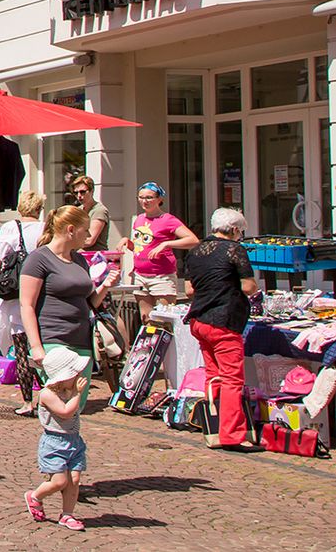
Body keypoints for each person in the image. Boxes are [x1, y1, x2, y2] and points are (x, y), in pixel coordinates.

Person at [181, 206, 261, 450]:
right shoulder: (235, 250)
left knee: (213, 376)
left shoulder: (195, 252)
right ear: (235, 230)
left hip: (199, 320)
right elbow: (248, 287)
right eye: (241, 231)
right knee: (231, 379)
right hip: (223, 321)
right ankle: (231, 434)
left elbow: (189, 290)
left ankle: (213, 429)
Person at [20, 206, 108, 418]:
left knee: (76, 408)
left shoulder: (79, 260)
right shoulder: (38, 259)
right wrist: (36, 347)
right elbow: (27, 305)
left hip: (82, 342)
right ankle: (53, 450)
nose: (88, 236)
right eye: (85, 230)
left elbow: (90, 302)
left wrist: (105, 287)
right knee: (60, 408)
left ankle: (70, 451)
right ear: (71, 230)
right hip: (54, 339)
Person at [25, 348, 91, 530]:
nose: (79, 376)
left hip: (74, 441)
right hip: (54, 443)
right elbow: (65, 412)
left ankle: (67, 514)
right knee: (59, 481)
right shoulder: (47, 394)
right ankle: (35, 496)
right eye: (75, 373)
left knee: (75, 479)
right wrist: (78, 394)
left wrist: (74, 393)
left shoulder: (67, 390)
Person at [0, 191, 48, 360]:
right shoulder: (46, 227)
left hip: (18, 289)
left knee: (19, 337)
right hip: (41, 288)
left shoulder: (10, 227)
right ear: (39, 208)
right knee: (39, 334)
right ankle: (41, 376)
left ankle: (24, 378)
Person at [125, 181, 197, 312]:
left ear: (159, 199)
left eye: (149, 197)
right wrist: (126, 242)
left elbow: (193, 240)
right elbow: (140, 247)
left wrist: (166, 244)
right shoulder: (139, 219)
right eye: (141, 197)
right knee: (146, 319)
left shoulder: (168, 219)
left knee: (164, 320)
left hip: (161, 277)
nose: (144, 201)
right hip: (140, 276)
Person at [69, 174, 114, 249]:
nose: (79, 195)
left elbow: (89, 240)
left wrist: (67, 243)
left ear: (91, 191)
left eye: (82, 192)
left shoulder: (99, 210)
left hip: (95, 256)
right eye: (76, 193)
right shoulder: (78, 210)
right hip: (78, 255)